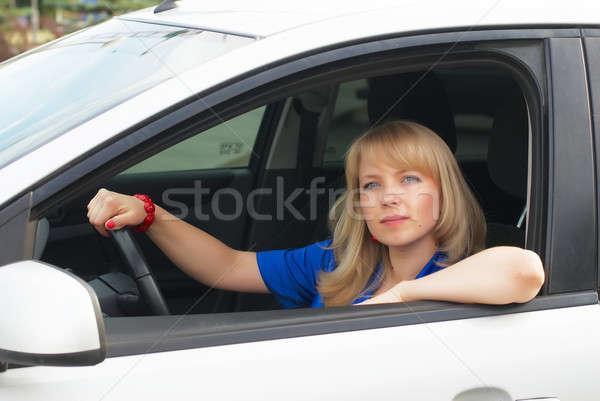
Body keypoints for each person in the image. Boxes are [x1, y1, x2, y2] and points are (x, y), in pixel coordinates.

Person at [87, 120, 545, 308]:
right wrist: (150, 216)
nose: (388, 197)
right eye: (371, 185)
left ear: (445, 194)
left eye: (410, 180)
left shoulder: (463, 270)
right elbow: (228, 265)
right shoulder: (334, 262)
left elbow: (524, 270)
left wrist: (400, 297)